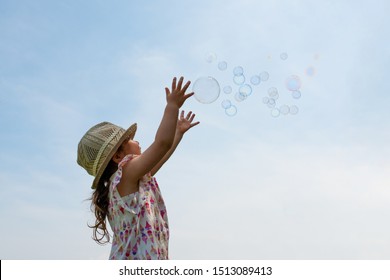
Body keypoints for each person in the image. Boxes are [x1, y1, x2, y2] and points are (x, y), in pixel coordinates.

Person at [77, 76, 199, 259]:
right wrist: (172, 106)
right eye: (130, 139)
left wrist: (178, 133)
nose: (137, 140)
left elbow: (161, 156)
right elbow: (161, 145)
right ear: (118, 157)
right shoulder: (126, 174)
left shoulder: (132, 180)